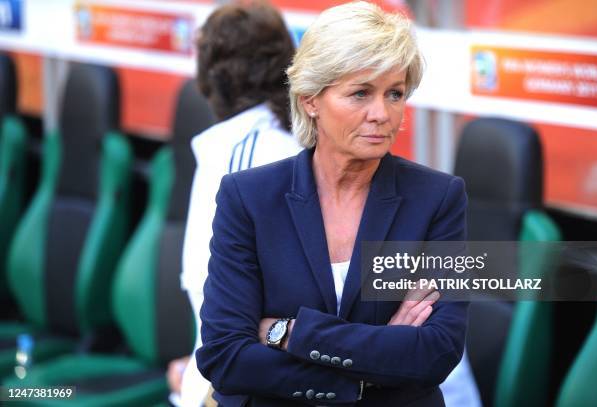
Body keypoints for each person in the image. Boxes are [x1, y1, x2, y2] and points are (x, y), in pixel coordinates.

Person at [197, 2, 468, 406]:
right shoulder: (248, 197)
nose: (382, 114)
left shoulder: (438, 198)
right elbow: (226, 356)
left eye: (394, 94)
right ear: (310, 100)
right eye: (360, 93)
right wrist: (368, 372)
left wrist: (288, 333)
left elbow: (436, 353)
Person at [170, 3, 302, 406]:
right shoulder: (264, 142)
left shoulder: (246, 157)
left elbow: (240, 329)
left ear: (212, 78)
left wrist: (194, 381)